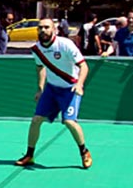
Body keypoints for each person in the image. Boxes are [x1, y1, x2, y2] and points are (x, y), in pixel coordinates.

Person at [15, 18, 92, 169]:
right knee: (36, 120)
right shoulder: (37, 49)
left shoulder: (65, 44)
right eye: (40, 28)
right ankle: (29, 155)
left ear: (53, 30)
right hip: (51, 89)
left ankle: (84, 152)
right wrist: (40, 88)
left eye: (46, 27)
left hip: (70, 89)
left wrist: (79, 84)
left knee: (69, 122)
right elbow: (40, 68)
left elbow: (84, 66)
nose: (43, 30)